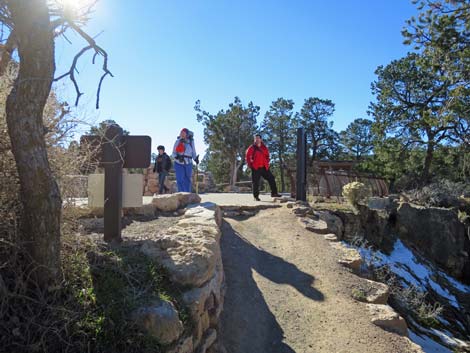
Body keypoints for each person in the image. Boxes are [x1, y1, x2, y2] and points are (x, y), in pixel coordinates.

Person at [245, 134, 281, 201]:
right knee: (256, 182)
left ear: (261, 139)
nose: (257, 140)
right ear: (254, 140)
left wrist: (267, 162)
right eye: (255, 139)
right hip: (256, 167)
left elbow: (267, 156)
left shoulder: (264, 147)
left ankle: (274, 193)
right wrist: (250, 165)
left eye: (258, 138)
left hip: (264, 167)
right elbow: (247, 157)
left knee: (271, 178)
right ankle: (256, 197)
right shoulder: (252, 147)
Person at [172, 128, 199, 192]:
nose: (182, 134)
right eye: (181, 133)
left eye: (183, 133)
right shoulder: (177, 141)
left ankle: (187, 194)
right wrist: (177, 157)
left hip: (188, 163)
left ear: (187, 134)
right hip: (178, 163)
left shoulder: (191, 142)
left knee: (187, 179)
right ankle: (181, 194)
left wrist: (195, 158)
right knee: (180, 179)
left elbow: (193, 152)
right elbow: (173, 153)